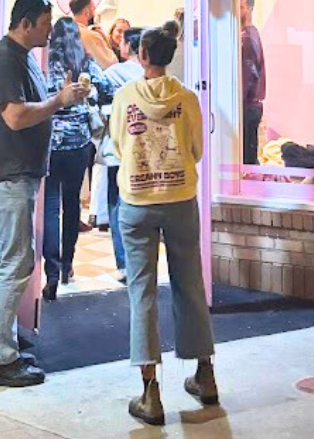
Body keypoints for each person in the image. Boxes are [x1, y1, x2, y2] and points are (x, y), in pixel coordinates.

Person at [0, 0, 87, 388]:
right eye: (43, 23)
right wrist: (60, 100)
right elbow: (16, 117)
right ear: (25, 23)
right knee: (15, 262)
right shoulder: (5, 60)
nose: (48, 30)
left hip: (16, 175)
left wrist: (62, 99)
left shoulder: (23, 60)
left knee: (6, 260)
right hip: (7, 177)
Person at [111, 26, 217, 426]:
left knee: (143, 292)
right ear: (170, 55)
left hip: (137, 203)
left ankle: (150, 392)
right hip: (180, 199)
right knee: (191, 284)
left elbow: (119, 145)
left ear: (141, 54)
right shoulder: (187, 98)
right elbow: (197, 149)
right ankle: (205, 375)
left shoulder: (125, 97)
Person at [42, 17, 109, 299]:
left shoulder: (46, 63)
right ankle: (68, 264)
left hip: (50, 142)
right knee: (72, 205)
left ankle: (52, 271)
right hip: (79, 142)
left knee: (50, 205)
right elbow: (106, 86)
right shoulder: (84, 64)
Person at [100, 25, 144, 282]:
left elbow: (98, 96)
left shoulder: (115, 73)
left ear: (129, 47)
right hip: (143, 150)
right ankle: (141, 259)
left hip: (118, 147)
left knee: (116, 203)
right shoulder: (150, 75)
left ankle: (124, 262)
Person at [240, 0, 266, 166]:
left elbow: (248, 76)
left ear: (249, 8)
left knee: (247, 159)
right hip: (249, 105)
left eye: (240, 7)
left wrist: (237, 101)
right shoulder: (248, 34)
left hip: (247, 107)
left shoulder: (247, 38)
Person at [69, 0, 118, 69]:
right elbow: (111, 65)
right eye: (93, 10)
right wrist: (105, 41)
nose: (94, 14)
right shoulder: (90, 36)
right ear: (87, 12)